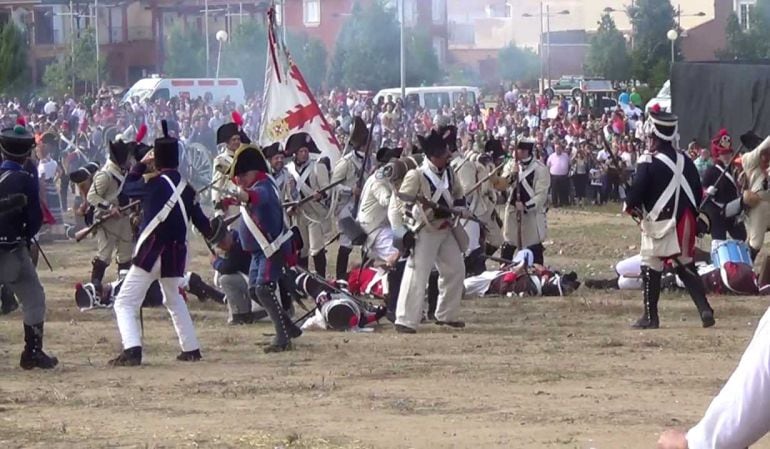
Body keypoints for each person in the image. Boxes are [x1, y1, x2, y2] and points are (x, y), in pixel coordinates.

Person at [108, 120, 214, 366]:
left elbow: (126, 190)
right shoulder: (187, 190)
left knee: (124, 302)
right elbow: (203, 224)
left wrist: (138, 167)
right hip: (175, 256)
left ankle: (132, 349)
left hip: (152, 252)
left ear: (156, 160)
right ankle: (191, 348)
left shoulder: (152, 184)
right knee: (173, 299)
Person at [624, 106, 714, 329]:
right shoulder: (687, 161)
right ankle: (704, 309)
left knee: (650, 263)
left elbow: (638, 191)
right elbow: (696, 192)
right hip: (685, 221)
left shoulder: (648, 161)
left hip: (660, 223)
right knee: (686, 265)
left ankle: (650, 316)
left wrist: (630, 204)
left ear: (655, 136)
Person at [394, 129, 468, 333]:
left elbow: (458, 193)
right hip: (425, 229)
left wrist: (461, 207)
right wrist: (413, 219)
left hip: (446, 227)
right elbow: (403, 203)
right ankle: (405, 320)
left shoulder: (450, 173)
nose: (448, 157)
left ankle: (447, 315)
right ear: (434, 156)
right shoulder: (416, 175)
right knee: (417, 274)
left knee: (456, 269)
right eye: (444, 154)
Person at [231, 144, 303, 352]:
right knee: (254, 290)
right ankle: (288, 327)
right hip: (259, 250)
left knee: (263, 288)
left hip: (271, 248)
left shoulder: (264, 187)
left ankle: (282, 338)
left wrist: (243, 195)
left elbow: (255, 197)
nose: (241, 179)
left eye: (243, 174)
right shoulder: (258, 183)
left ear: (254, 170)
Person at [0, 117, 59, 369]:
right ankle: (32, 352)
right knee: (34, 297)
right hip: (11, 249)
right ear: (26, 153)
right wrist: (25, 235)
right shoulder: (25, 178)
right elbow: (34, 219)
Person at [86, 137, 134, 300]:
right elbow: (92, 197)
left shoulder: (124, 172)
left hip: (124, 219)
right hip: (108, 221)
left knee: (126, 254)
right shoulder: (105, 175)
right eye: (127, 157)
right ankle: (95, 287)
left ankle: (123, 287)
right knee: (104, 256)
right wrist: (109, 207)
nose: (130, 159)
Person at [286, 132, 332, 278]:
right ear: (295, 153)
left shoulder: (318, 167)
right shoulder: (289, 170)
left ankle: (321, 279)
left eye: (306, 151)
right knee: (302, 249)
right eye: (301, 151)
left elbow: (327, 190)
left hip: (315, 214)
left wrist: (321, 195)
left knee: (317, 248)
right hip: (299, 214)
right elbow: (288, 195)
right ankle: (304, 280)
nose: (304, 154)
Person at [500, 139, 551, 265]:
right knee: (509, 244)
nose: (514, 152)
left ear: (525, 151)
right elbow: (503, 185)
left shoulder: (540, 169)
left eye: (518, 149)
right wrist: (513, 173)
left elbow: (541, 195)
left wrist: (525, 206)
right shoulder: (510, 165)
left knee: (533, 246)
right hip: (512, 211)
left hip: (530, 213)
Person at [701, 129, 746, 248]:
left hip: (732, 209)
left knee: (741, 237)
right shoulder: (711, 171)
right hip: (717, 211)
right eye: (723, 153)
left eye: (728, 153)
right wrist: (707, 192)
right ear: (717, 154)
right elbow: (701, 191)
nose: (726, 156)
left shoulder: (734, 169)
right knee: (719, 241)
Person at [738, 132, 770, 261]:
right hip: (758, 205)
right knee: (755, 242)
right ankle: (746, 266)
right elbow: (764, 145)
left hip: (766, 203)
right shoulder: (748, 158)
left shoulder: (764, 161)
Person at [546, 143, 570, 207]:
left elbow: (569, 164)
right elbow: (548, 165)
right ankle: (555, 203)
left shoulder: (565, 155)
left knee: (562, 190)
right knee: (554, 190)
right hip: (554, 176)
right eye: (556, 148)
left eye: (559, 148)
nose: (557, 149)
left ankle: (563, 202)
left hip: (563, 176)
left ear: (561, 148)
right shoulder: (551, 156)